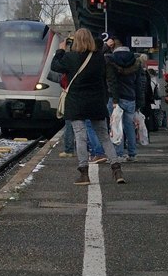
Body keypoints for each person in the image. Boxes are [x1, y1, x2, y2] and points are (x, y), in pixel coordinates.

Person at [51, 29, 124, 185]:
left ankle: (84, 173)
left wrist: (60, 50)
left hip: (76, 103)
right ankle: (117, 170)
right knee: (104, 137)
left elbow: (55, 66)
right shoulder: (99, 58)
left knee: (80, 135)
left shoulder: (69, 57)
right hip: (96, 103)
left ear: (75, 41)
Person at [104, 39, 143, 160]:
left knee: (116, 126)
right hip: (131, 98)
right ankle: (132, 153)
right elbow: (139, 84)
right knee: (130, 126)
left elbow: (112, 82)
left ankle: (118, 154)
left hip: (115, 98)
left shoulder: (111, 60)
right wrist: (139, 102)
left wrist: (115, 100)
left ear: (113, 47)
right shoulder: (136, 61)